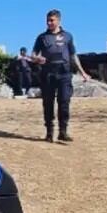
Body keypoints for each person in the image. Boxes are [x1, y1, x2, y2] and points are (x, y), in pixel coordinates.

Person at [32, 9, 89, 142]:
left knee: (64, 102)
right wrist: (37, 59)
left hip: (64, 73)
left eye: (52, 20)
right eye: (47, 20)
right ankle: (49, 132)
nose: (49, 23)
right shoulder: (42, 37)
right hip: (48, 74)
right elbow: (33, 54)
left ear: (58, 20)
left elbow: (73, 55)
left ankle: (63, 132)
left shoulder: (68, 36)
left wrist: (83, 72)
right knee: (48, 104)